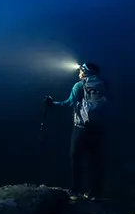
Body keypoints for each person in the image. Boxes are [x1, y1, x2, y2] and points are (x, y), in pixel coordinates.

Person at [44, 62, 109, 200]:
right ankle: (94, 193)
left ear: (85, 72)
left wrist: (52, 103)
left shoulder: (80, 86)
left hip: (81, 128)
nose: (79, 73)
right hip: (98, 127)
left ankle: (75, 190)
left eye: (80, 71)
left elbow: (69, 103)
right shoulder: (102, 84)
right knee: (95, 159)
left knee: (75, 157)